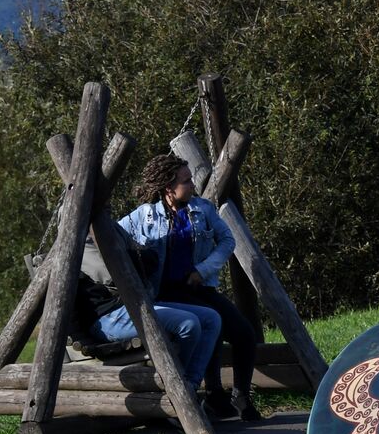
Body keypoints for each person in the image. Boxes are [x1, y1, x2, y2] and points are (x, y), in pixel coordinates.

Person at [120, 153, 261, 420]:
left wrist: (202, 270)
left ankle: (241, 398)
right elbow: (113, 236)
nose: (193, 185)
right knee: (211, 322)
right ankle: (214, 396)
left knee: (243, 333)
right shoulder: (144, 216)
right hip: (163, 293)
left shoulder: (202, 210)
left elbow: (227, 241)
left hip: (197, 287)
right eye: (186, 181)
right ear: (168, 188)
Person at [73, 228, 223, 394]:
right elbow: (110, 273)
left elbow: (151, 259)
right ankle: (177, 388)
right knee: (188, 324)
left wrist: (134, 258)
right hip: (109, 317)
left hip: (134, 306)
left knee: (211, 318)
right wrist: (135, 257)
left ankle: (189, 386)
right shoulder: (78, 237)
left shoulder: (110, 226)